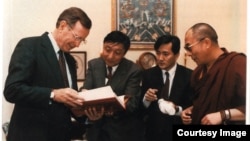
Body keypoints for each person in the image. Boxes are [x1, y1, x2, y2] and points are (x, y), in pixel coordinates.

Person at [3, 7, 92, 141]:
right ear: (63, 26)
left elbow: (66, 103)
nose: (78, 44)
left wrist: (83, 113)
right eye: (77, 37)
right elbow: (12, 90)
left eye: (82, 40)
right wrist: (53, 94)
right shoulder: (29, 46)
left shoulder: (70, 60)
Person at [74, 31, 145, 141]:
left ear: (124, 53)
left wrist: (112, 108)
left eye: (117, 52)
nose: (111, 56)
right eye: (107, 50)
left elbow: (131, 104)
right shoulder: (94, 65)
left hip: (120, 133)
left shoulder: (133, 70)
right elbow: (86, 91)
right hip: (95, 132)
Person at [181, 23, 246, 125]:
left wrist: (224, 115)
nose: (188, 53)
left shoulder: (237, 64)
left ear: (206, 43)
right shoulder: (197, 72)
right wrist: (192, 110)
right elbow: (205, 103)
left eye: (189, 47)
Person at [140, 34, 193, 141]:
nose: (160, 58)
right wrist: (146, 99)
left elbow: (191, 106)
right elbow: (140, 109)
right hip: (153, 133)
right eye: (158, 53)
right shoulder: (148, 75)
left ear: (177, 55)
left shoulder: (189, 76)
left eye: (165, 54)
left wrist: (177, 110)